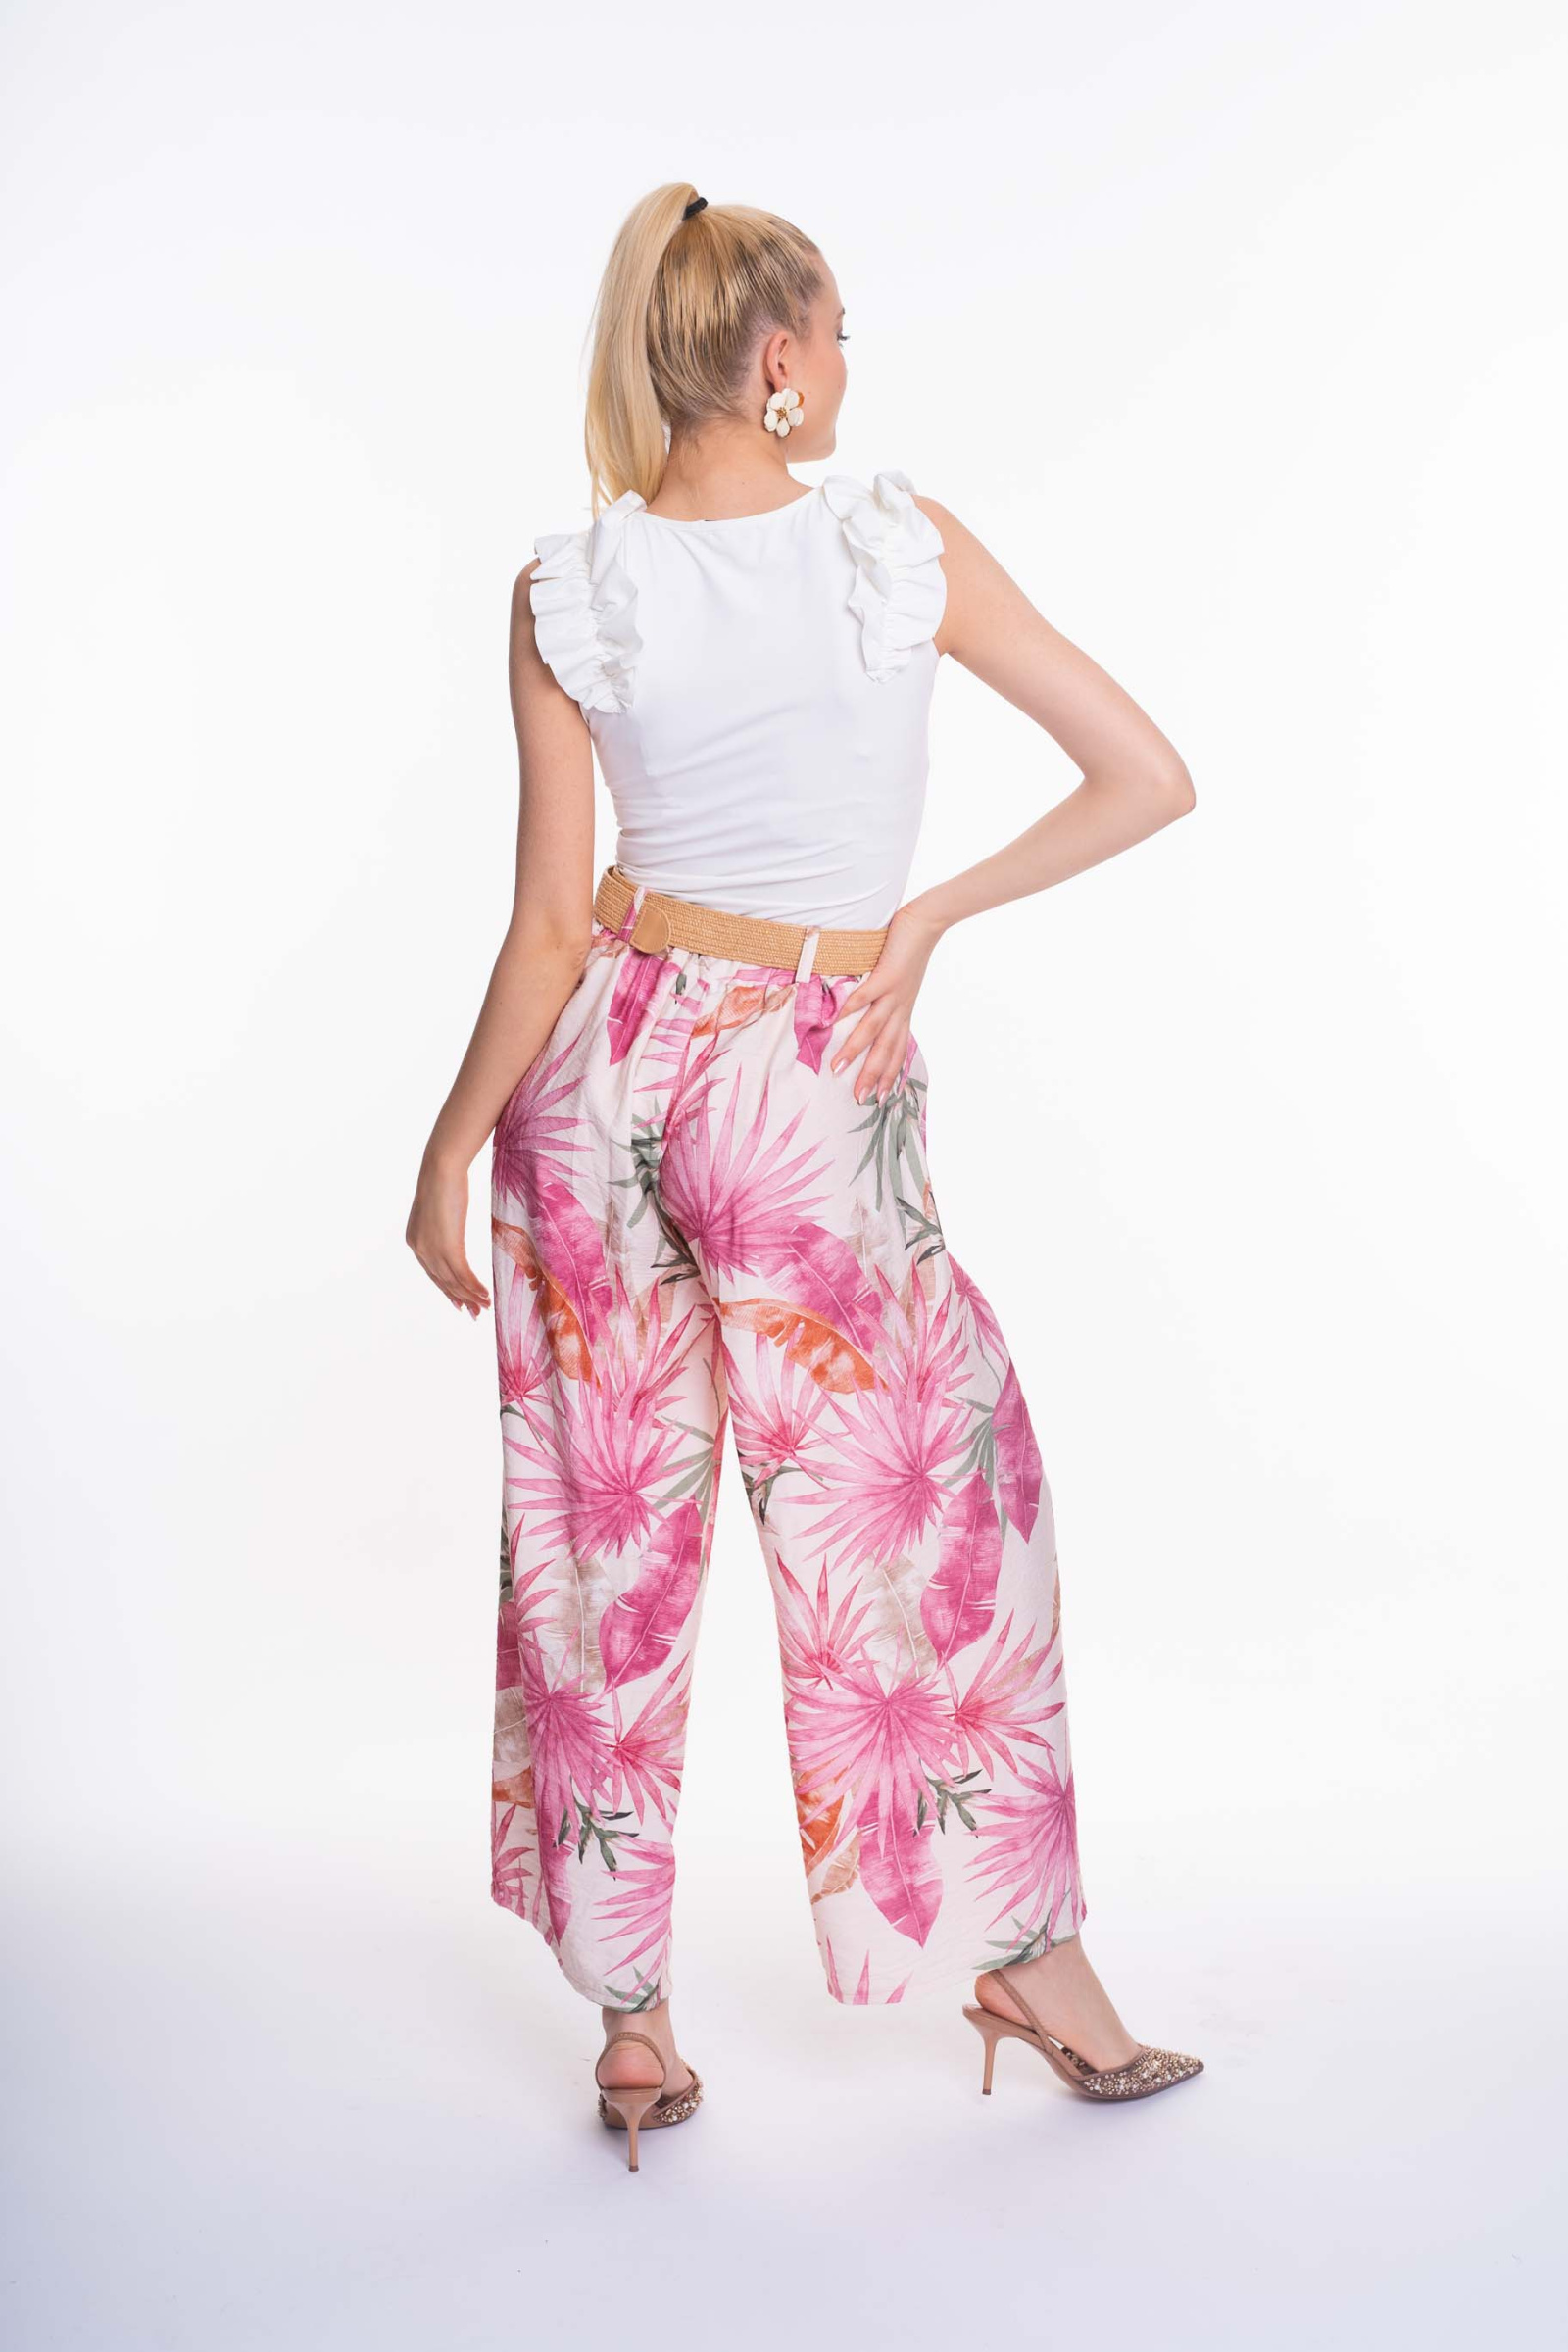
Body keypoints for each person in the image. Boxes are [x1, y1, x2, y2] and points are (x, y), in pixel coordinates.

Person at [407, 181, 1202, 2170]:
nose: (846, 367)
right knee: (928, 1510)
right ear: (774, 359)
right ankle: (1030, 1962)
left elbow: (550, 925)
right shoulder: (890, 547)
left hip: (601, 1066)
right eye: (835, 332)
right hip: (803, 1080)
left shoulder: (569, 584)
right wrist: (919, 919)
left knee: (601, 1536)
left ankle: (632, 2029)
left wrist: (446, 1147)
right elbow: (1145, 772)